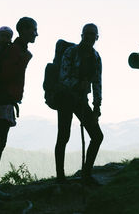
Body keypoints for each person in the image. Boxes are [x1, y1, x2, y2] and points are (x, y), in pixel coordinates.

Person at [0, 17, 38, 205]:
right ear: (23, 30)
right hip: (1, 102)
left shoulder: (17, 49)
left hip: (4, 101)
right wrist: (24, 60)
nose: (36, 34)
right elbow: (5, 75)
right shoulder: (15, 50)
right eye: (33, 30)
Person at [55, 23, 103, 185]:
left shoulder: (96, 58)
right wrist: (78, 85)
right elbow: (63, 77)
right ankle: (61, 178)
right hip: (66, 99)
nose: (90, 37)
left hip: (81, 100)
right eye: (87, 34)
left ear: (96, 37)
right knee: (63, 136)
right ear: (82, 35)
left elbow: (97, 83)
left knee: (97, 136)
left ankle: (86, 174)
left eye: (93, 34)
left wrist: (97, 107)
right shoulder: (71, 52)